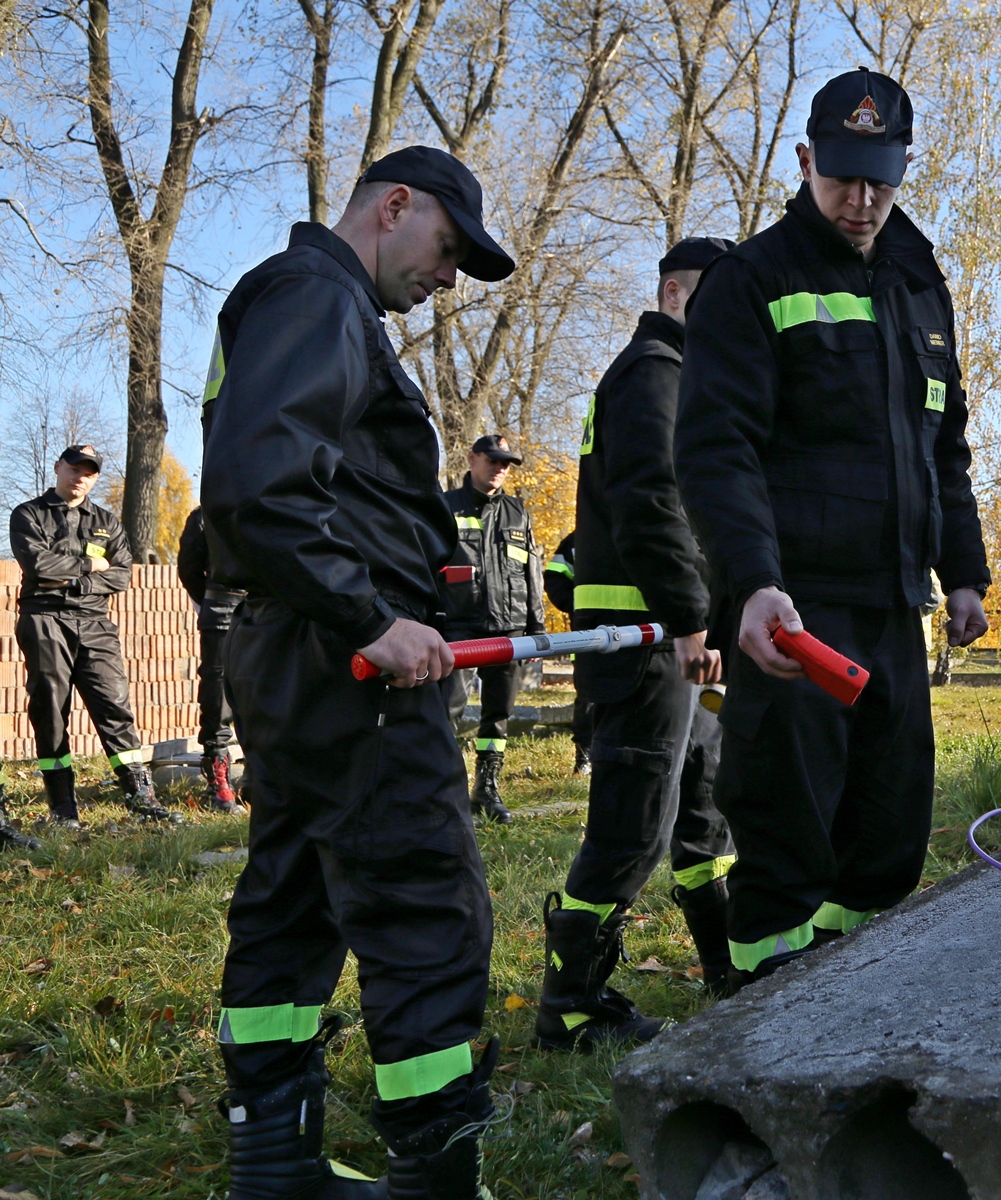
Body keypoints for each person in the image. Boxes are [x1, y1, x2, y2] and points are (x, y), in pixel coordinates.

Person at [201, 145, 515, 1200]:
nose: (449, 278)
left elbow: (257, 489)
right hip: (348, 663)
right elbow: (258, 486)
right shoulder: (316, 298)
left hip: (293, 649)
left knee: (293, 893)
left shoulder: (288, 302)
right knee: (423, 898)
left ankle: (273, 1160)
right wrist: (374, 618)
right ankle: (437, 1178)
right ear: (395, 206)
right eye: (448, 248)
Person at [675, 69, 991, 988]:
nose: (860, 201)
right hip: (797, 615)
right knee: (788, 831)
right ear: (806, 159)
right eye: (842, 177)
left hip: (894, 605)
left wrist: (963, 571)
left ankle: (860, 1006)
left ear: (902, 171)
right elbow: (717, 452)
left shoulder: (921, 285)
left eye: (879, 181)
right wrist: (751, 581)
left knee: (887, 833)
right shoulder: (752, 281)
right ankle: (759, 1021)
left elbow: (945, 446)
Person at [536, 235, 738, 1049]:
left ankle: (728, 966)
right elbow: (653, 503)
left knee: (702, 815)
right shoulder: (654, 374)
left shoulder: (675, 374)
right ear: (677, 296)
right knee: (631, 831)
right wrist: (692, 619)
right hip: (648, 647)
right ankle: (571, 1007)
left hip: (674, 644)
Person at [9, 444, 177, 828]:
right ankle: (63, 808)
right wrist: (89, 565)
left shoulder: (106, 521)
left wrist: (75, 581)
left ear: (95, 478)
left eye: (89, 472)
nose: (80, 477)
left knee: (113, 704)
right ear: (58, 467)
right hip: (44, 618)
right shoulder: (28, 514)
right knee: (50, 710)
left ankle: (141, 799)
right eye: (74, 468)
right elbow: (38, 565)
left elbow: (121, 573)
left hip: (95, 623)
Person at [442, 433, 545, 824]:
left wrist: (536, 627)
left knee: (498, 716)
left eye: (506, 463)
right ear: (472, 459)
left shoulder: (518, 511)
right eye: (493, 460)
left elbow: (532, 571)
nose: (500, 468)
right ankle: (444, 790)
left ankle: (486, 788)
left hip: (510, 629)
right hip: (459, 628)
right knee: (446, 711)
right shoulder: (445, 506)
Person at [176, 505, 247, 814]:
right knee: (217, 697)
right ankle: (218, 779)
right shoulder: (205, 515)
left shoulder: (271, 505)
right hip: (222, 610)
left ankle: (258, 779)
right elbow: (189, 569)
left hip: (267, 612)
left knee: (266, 694)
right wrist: (210, 604)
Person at [542, 530, 594, 776]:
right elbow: (555, 575)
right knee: (588, 699)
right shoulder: (579, 539)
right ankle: (585, 756)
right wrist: (575, 604)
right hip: (588, 637)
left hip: (638, 637)